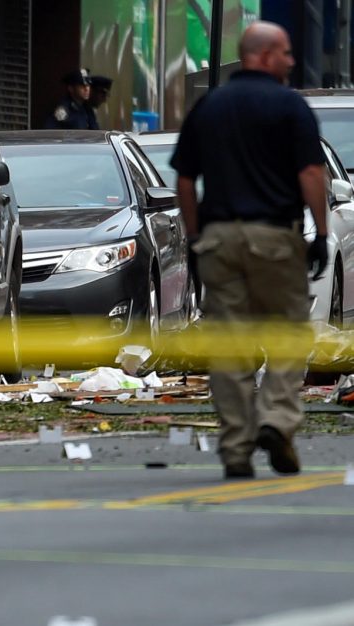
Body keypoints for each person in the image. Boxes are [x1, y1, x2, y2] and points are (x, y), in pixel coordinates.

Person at [171, 21, 328, 480]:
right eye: (285, 53)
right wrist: (320, 233)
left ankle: (236, 447)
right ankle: (277, 421)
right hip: (275, 237)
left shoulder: (210, 106)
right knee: (288, 335)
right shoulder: (289, 106)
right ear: (261, 55)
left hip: (219, 238)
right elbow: (312, 174)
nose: (292, 62)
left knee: (230, 346)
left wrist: (197, 236)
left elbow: (184, 179)